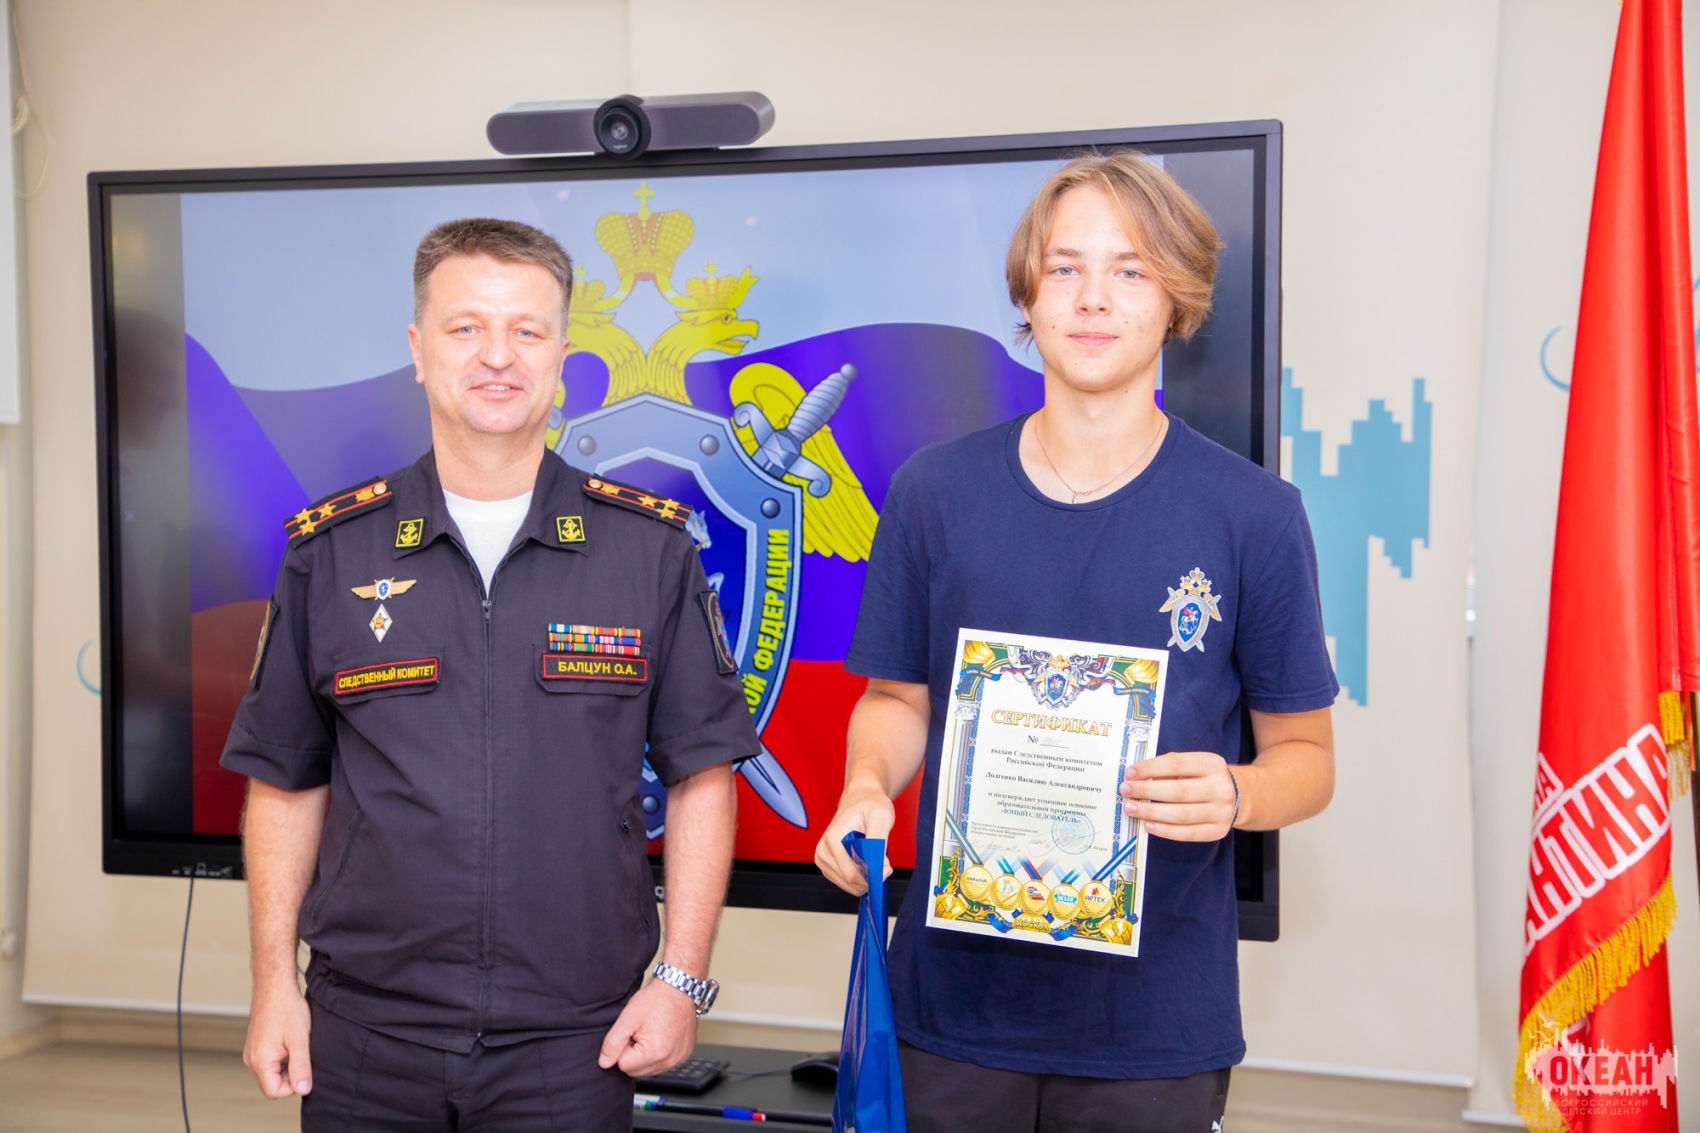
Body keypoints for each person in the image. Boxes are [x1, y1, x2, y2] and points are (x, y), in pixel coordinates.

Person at [815, 152, 1337, 1132]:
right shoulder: (934, 490)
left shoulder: (1254, 515)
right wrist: (865, 785)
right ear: (1027, 291)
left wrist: (1236, 792)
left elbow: (1306, 758)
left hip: (1152, 1028)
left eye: (1129, 269)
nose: (1093, 297)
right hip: (948, 1012)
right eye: (1065, 267)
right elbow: (895, 700)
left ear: (1176, 299)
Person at [222, 217, 755, 1131]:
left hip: (575, 1041)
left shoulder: (651, 549)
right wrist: (274, 981)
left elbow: (703, 773)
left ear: (562, 358)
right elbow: (284, 780)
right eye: (466, 327)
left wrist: (681, 977)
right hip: (365, 1036)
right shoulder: (331, 552)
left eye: (526, 330)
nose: (497, 356)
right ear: (418, 348)